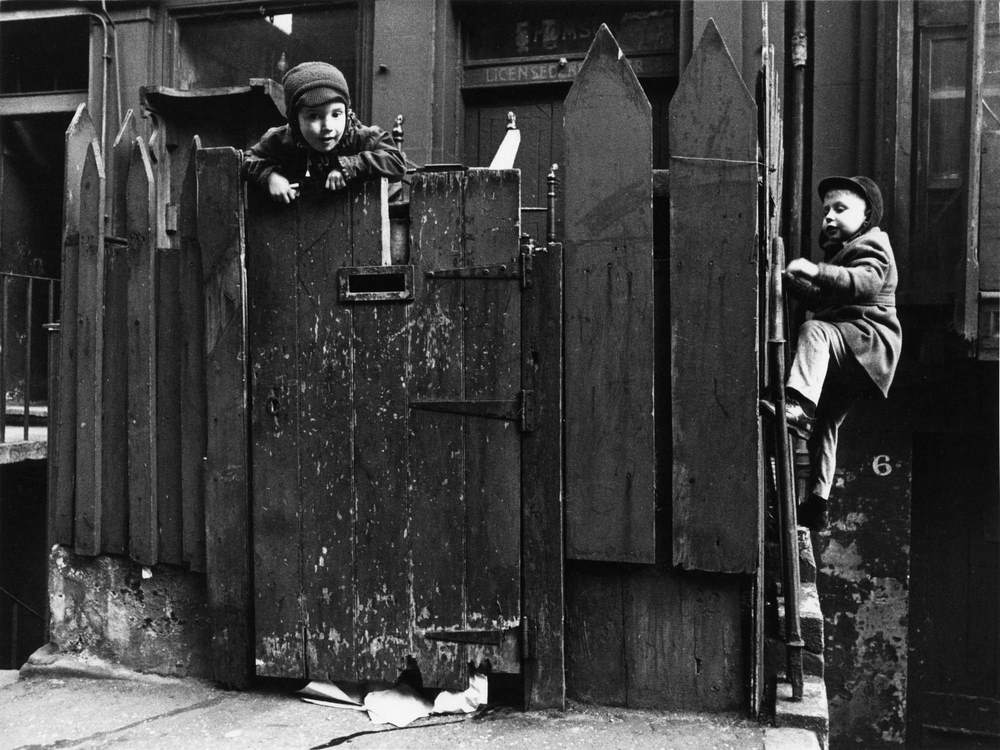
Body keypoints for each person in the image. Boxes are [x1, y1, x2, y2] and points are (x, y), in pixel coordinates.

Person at [764, 175, 902, 530]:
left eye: (841, 209)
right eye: (826, 210)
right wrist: (791, 283)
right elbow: (825, 297)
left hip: (866, 342)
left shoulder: (873, 245)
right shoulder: (845, 254)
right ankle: (817, 503)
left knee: (815, 330)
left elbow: (865, 282)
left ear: (867, 214)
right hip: (855, 353)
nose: (829, 216)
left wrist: (815, 269)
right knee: (827, 422)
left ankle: (797, 405)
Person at [243, 61, 405, 202]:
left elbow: (396, 162)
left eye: (336, 114)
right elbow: (248, 159)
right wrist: (270, 177)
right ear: (294, 120)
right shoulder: (282, 138)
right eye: (313, 116)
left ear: (347, 112)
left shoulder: (363, 137)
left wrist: (349, 166)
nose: (328, 126)